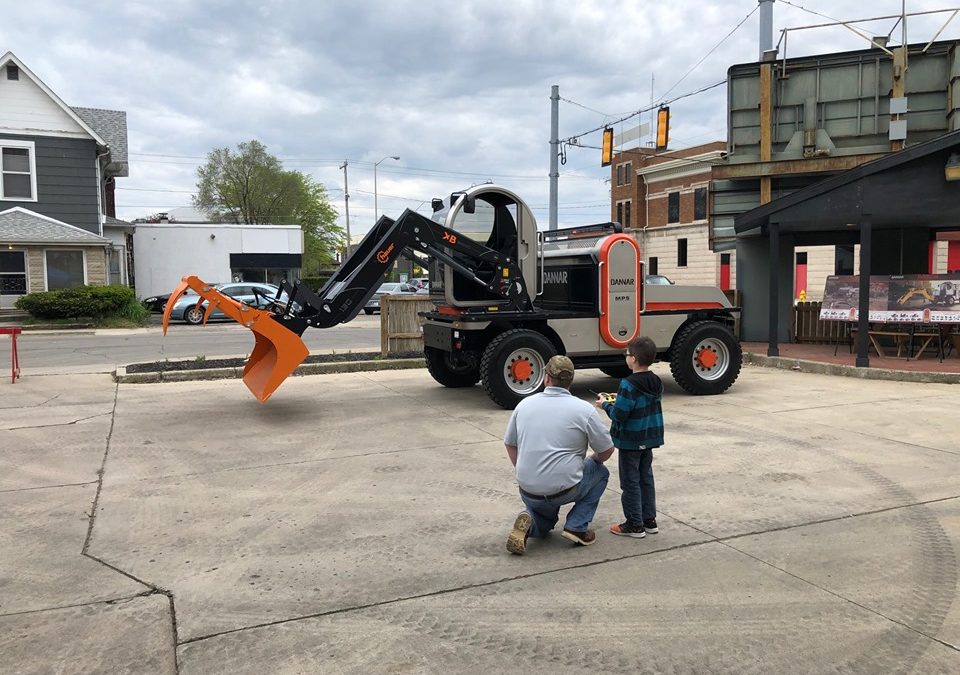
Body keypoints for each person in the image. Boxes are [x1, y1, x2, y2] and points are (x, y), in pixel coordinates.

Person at [504, 355, 615, 555]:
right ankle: (576, 526)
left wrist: (525, 469)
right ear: (570, 381)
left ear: (546, 378)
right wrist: (594, 460)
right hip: (564, 489)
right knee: (601, 473)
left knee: (545, 522)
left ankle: (530, 524)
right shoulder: (583, 410)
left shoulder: (524, 405)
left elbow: (510, 444)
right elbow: (607, 450)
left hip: (528, 487)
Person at [596, 336, 664, 539]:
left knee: (630, 482)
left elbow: (620, 415)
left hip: (630, 441)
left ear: (633, 359)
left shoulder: (628, 384)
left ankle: (634, 524)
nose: (626, 357)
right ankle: (649, 520)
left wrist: (605, 405)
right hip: (649, 438)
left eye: (627, 354)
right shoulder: (656, 381)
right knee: (646, 478)